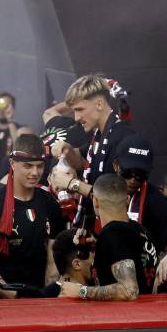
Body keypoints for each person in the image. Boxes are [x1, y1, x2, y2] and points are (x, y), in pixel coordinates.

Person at [0, 133, 65, 292]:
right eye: (28, 166)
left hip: (39, 294)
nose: (35, 172)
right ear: (12, 164)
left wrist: (47, 293)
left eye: (40, 166)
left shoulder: (49, 203)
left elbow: (53, 262)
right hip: (3, 295)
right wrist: (8, 292)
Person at [60, 174, 155, 301]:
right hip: (149, 309)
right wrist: (97, 245)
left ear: (95, 201)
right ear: (127, 199)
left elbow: (129, 291)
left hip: (126, 313)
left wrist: (81, 291)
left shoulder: (113, 235)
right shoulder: (140, 230)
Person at [57, 74, 133, 229]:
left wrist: (72, 184)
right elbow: (82, 160)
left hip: (117, 229)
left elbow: (114, 197)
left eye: (79, 109)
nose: (76, 118)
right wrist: (68, 150)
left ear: (99, 104)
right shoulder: (99, 135)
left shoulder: (122, 136)